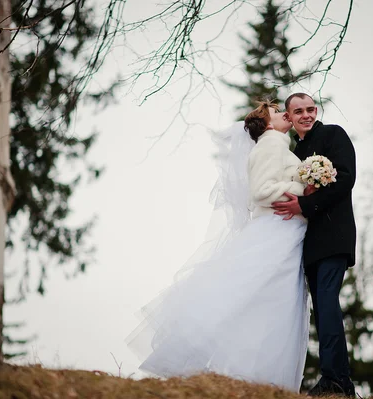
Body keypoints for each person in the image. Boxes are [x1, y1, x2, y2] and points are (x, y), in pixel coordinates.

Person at [125, 101, 310, 392]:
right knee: (267, 302)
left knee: (266, 304)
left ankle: (254, 378)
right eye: (276, 111)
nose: (283, 113)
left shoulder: (278, 145)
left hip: (284, 231)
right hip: (276, 231)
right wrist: (305, 191)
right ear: (268, 124)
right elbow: (262, 191)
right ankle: (257, 377)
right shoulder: (271, 144)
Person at [272, 93, 357, 397]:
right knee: (321, 309)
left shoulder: (334, 134)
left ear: (315, 111)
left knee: (327, 301)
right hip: (308, 244)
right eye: (298, 111)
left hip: (335, 235)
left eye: (310, 109)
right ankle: (336, 380)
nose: (306, 115)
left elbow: (346, 179)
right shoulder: (297, 149)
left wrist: (305, 205)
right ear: (290, 117)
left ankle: (337, 378)